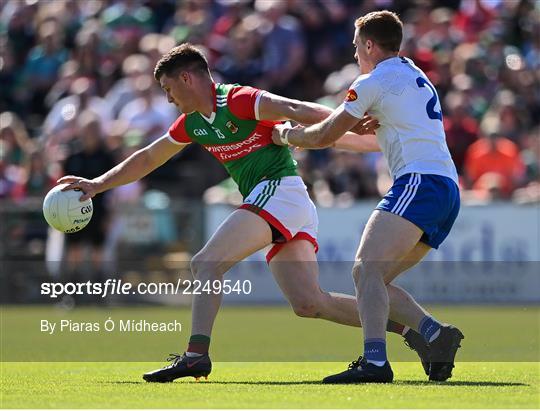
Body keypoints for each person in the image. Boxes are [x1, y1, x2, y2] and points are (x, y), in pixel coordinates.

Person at [59, 43, 430, 383]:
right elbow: (148, 158)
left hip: (280, 191)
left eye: (169, 89)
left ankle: (195, 356)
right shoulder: (193, 123)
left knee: (206, 263)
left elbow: (298, 110)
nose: (169, 99)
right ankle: (409, 331)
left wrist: (350, 125)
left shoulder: (239, 100)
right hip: (285, 203)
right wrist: (96, 185)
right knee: (310, 303)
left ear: (187, 78)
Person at [272, 11, 464, 384]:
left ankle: (375, 363)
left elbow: (323, 136)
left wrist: (286, 136)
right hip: (445, 188)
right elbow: (364, 138)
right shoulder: (412, 73)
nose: (356, 53)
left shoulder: (372, 80)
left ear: (371, 45)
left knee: (365, 270)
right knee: (374, 282)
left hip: (418, 183)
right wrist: (342, 124)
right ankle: (435, 335)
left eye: (358, 46)